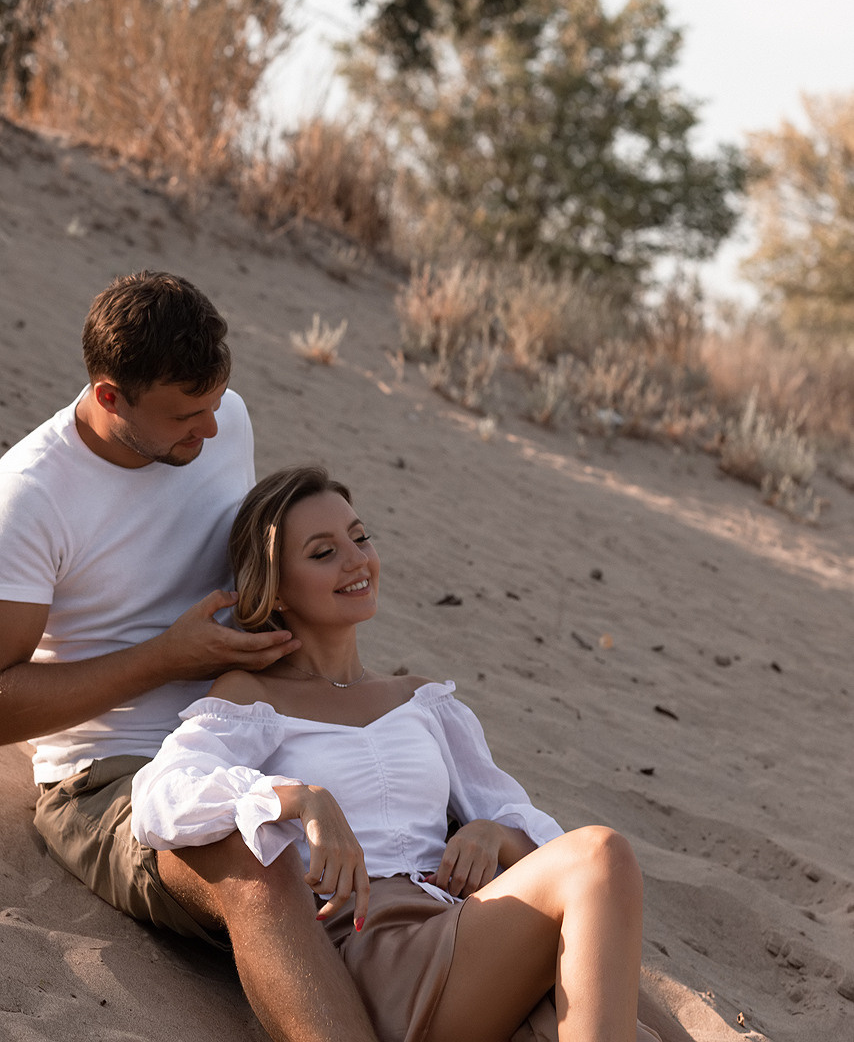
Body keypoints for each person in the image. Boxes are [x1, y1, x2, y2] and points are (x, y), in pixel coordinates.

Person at [131, 465, 666, 1042]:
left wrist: (493, 834)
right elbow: (158, 799)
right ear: (277, 589)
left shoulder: (421, 701)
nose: (356, 560)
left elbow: (538, 837)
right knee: (602, 853)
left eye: (360, 538)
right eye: (323, 553)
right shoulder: (253, 699)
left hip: (462, 933)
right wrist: (298, 800)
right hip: (371, 954)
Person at [0, 272, 384, 1042]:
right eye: (185, 415)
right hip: (115, 773)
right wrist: (166, 658)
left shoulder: (222, 418)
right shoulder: (29, 499)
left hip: (256, 722)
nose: (210, 432)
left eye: (215, 405)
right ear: (109, 396)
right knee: (261, 865)